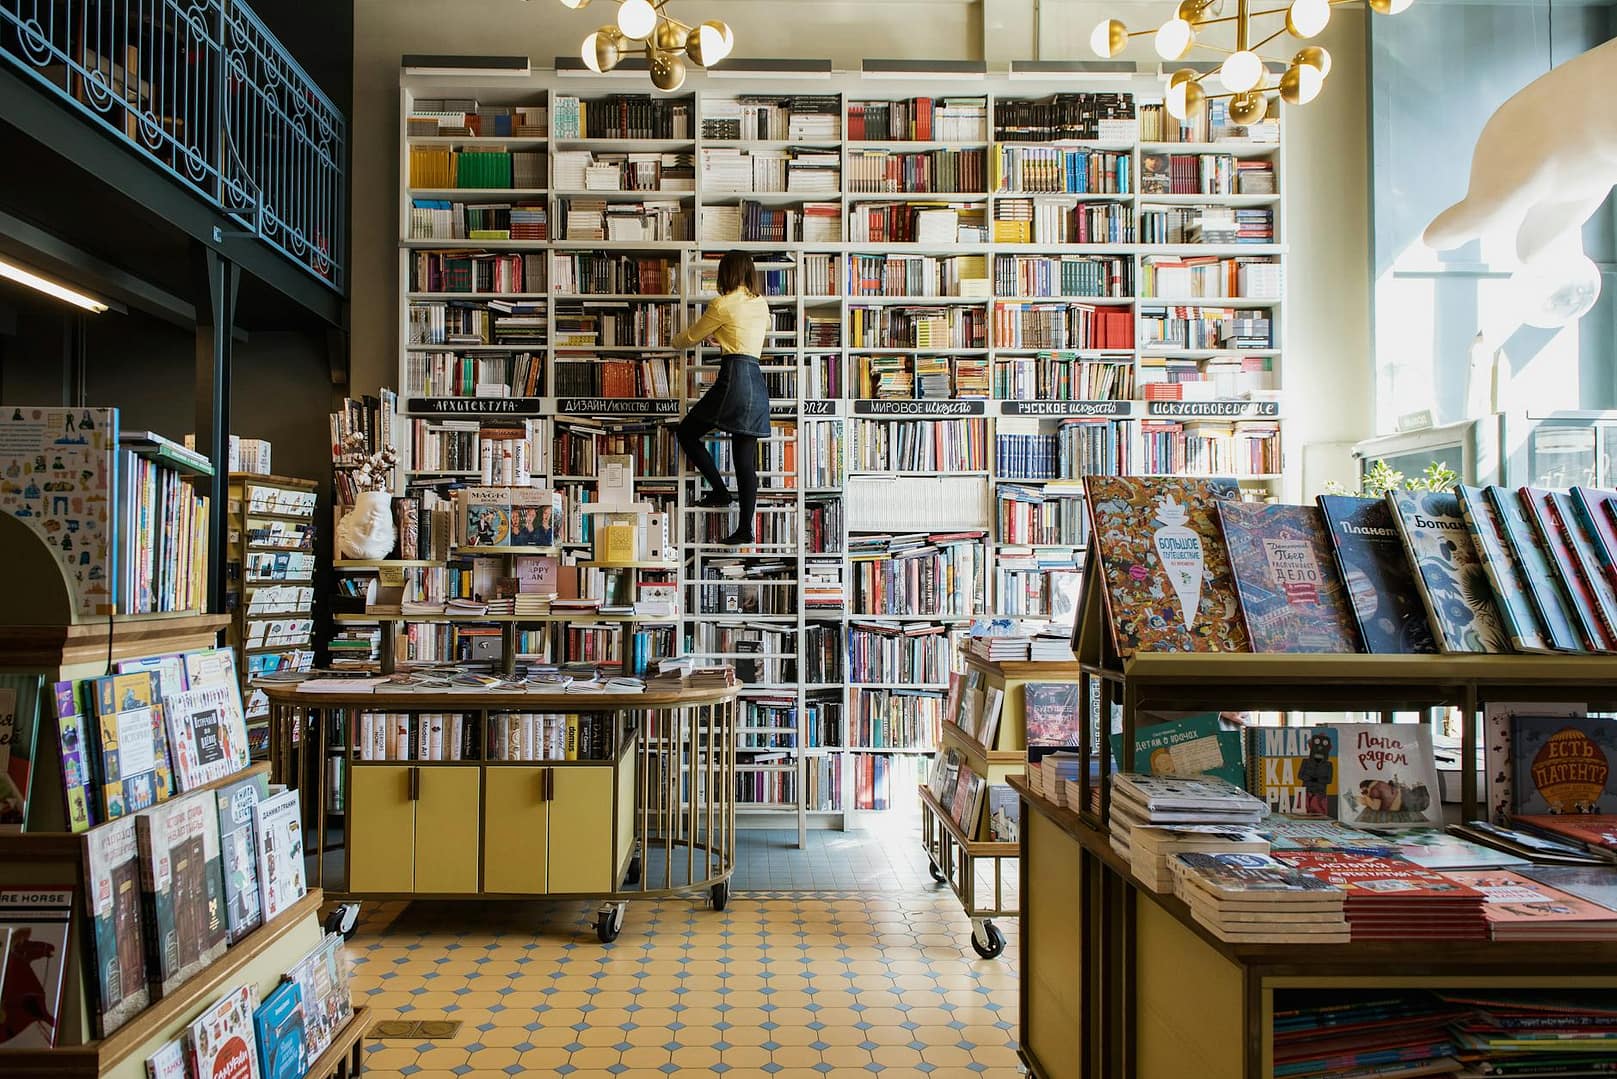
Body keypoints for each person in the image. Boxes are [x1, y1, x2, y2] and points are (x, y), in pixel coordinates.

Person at [671, 250, 771, 546]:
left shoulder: (721, 304)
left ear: (726, 272)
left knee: (687, 432)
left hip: (734, 379)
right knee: (744, 460)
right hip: (756, 380)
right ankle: (745, 528)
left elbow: (689, 338)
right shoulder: (761, 303)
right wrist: (723, 336)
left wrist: (673, 341)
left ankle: (719, 490)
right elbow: (756, 330)